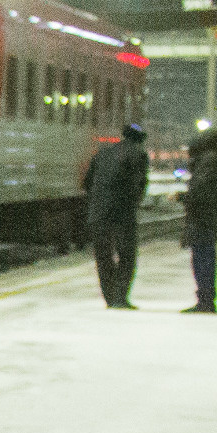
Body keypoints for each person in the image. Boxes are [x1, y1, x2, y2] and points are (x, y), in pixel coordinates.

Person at [82, 119, 150, 308]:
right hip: (123, 214)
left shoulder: (103, 153)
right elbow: (140, 185)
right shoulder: (139, 154)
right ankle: (120, 297)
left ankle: (109, 296)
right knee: (126, 255)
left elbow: (87, 183)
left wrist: (98, 200)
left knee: (103, 256)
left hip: (98, 212)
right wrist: (133, 202)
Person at [180, 126, 217, 313]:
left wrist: (182, 197)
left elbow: (201, 191)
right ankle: (205, 298)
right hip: (207, 216)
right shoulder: (213, 160)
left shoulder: (209, 162)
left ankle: (205, 300)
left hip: (203, 217)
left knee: (202, 258)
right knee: (203, 257)